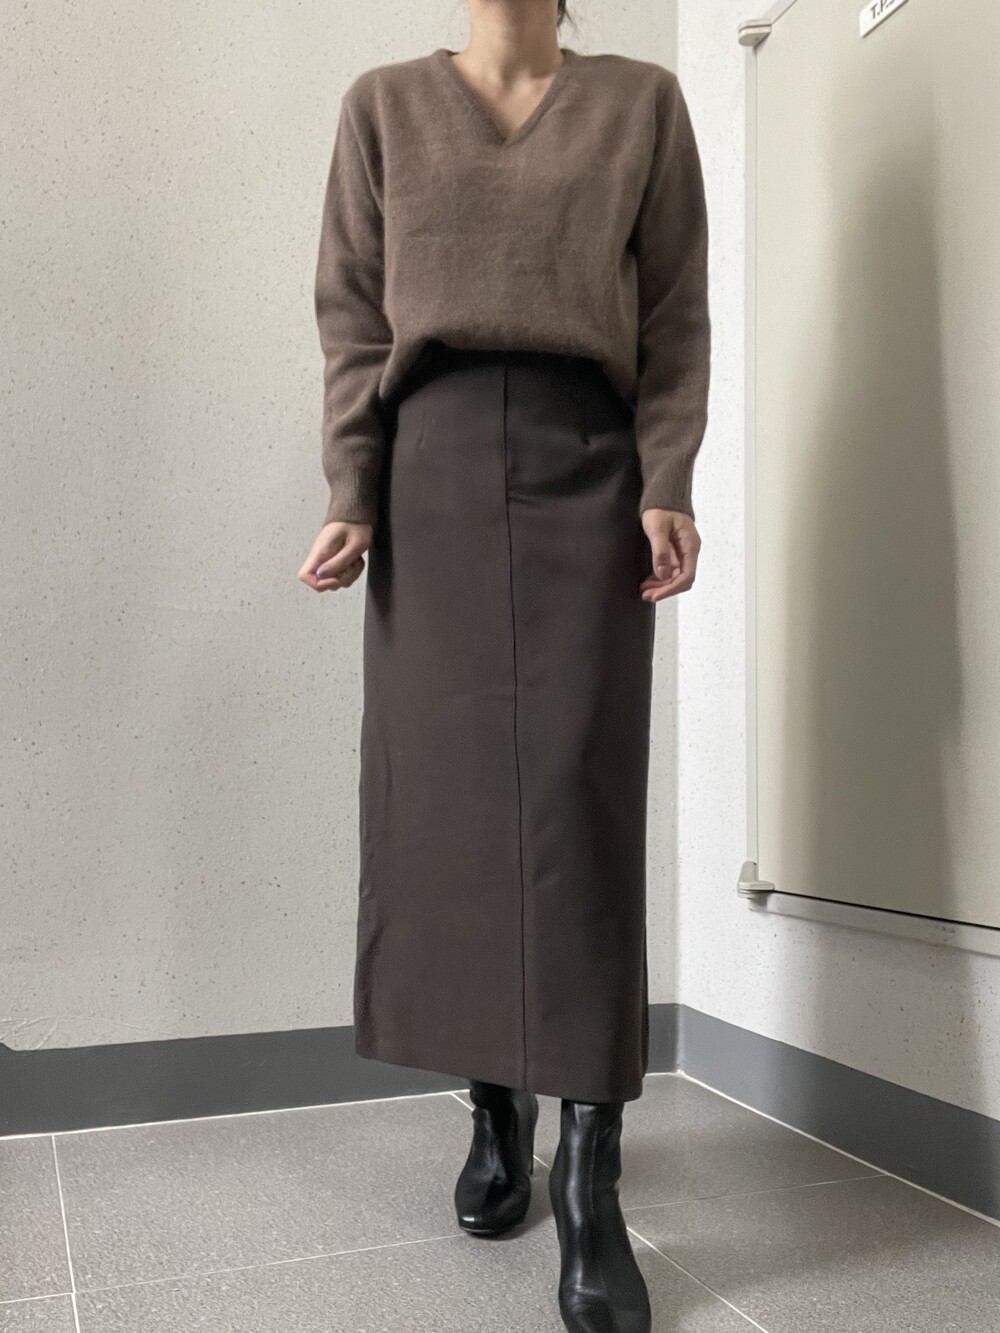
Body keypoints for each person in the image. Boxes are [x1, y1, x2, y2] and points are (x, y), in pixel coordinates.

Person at [297, 2, 710, 1328]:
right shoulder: (383, 106)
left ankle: (590, 1168)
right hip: (432, 478)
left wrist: (667, 475)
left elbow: (674, 310)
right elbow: (355, 317)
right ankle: (494, 1104)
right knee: (455, 810)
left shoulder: (641, 103)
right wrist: (354, 489)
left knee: (580, 811)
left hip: (595, 472)